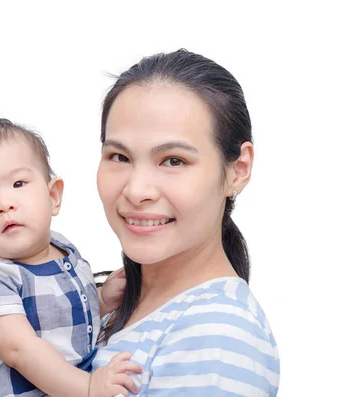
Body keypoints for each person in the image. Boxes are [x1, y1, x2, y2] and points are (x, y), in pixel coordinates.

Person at [92, 49, 280, 396]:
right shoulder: (107, 305)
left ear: (237, 170)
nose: (137, 190)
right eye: (119, 156)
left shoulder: (219, 331)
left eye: (173, 160)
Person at [0, 118, 141, 397]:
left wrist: (102, 300)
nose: (4, 204)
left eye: (18, 183)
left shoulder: (66, 251)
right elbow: (19, 349)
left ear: (53, 196)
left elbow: (64, 316)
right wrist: (88, 387)